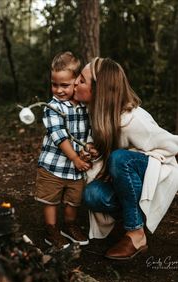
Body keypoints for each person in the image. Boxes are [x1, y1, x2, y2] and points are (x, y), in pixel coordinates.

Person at [74, 57, 178, 260]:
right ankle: (135, 218)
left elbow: (172, 144)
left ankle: (136, 234)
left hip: (152, 173)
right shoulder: (96, 112)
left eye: (82, 80)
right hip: (125, 178)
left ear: (99, 91)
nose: (76, 82)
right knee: (92, 195)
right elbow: (103, 145)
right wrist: (92, 149)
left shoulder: (132, 120)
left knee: (120, 158)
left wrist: (132, 159)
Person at [35, 51, 93, 249]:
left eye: (64, 85)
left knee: (73, 200)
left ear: (77, 81)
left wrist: (87, 149)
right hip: (54, 165)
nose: (58, 90)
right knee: (51, 199)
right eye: (54, 84)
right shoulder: (52, 107)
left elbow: (88, 134)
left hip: (75, 169)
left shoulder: (85, 106)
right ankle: (51, 230)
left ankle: (69, 226)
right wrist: (75, 158)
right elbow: (59, 135)